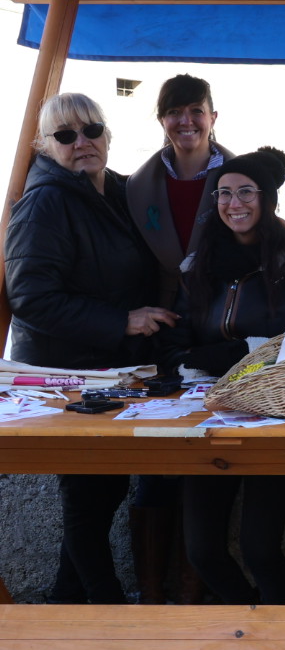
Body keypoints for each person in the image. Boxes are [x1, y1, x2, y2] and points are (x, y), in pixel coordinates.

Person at [4, 93, 173, 614]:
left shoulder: (117, 190)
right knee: (88, 497)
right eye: (65, 135)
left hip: (105, 366)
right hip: (64, 373)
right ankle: (108, 616)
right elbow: (30, 295)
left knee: (102, 490)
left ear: (107, 135)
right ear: (44, 146)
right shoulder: (46, 200)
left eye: (92, 130)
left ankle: (65, 597)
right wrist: (121, 320)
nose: (83, 143)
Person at [158, 148, 285, 645]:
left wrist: (220, 352)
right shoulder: (198, 265)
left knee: (262, 546)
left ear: (265, 199)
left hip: (272, 415)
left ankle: (278, 634)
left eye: (246, 192)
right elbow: (174, 344)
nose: (234, 202)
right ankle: (244, 625)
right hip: (208, 417)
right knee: (201, 548)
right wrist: (231, 351)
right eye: (224, 193)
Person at [125, 73, 232, 608]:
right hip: (158, 335)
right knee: (154, 464)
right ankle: (150, 590)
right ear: (161, 120)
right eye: (174, 112)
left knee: (205, 461)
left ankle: (193, 588)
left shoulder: (241, 175)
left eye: (196, 110)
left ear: (214, 116)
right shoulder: (136, 184)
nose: (186, 122)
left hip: (214, 330)